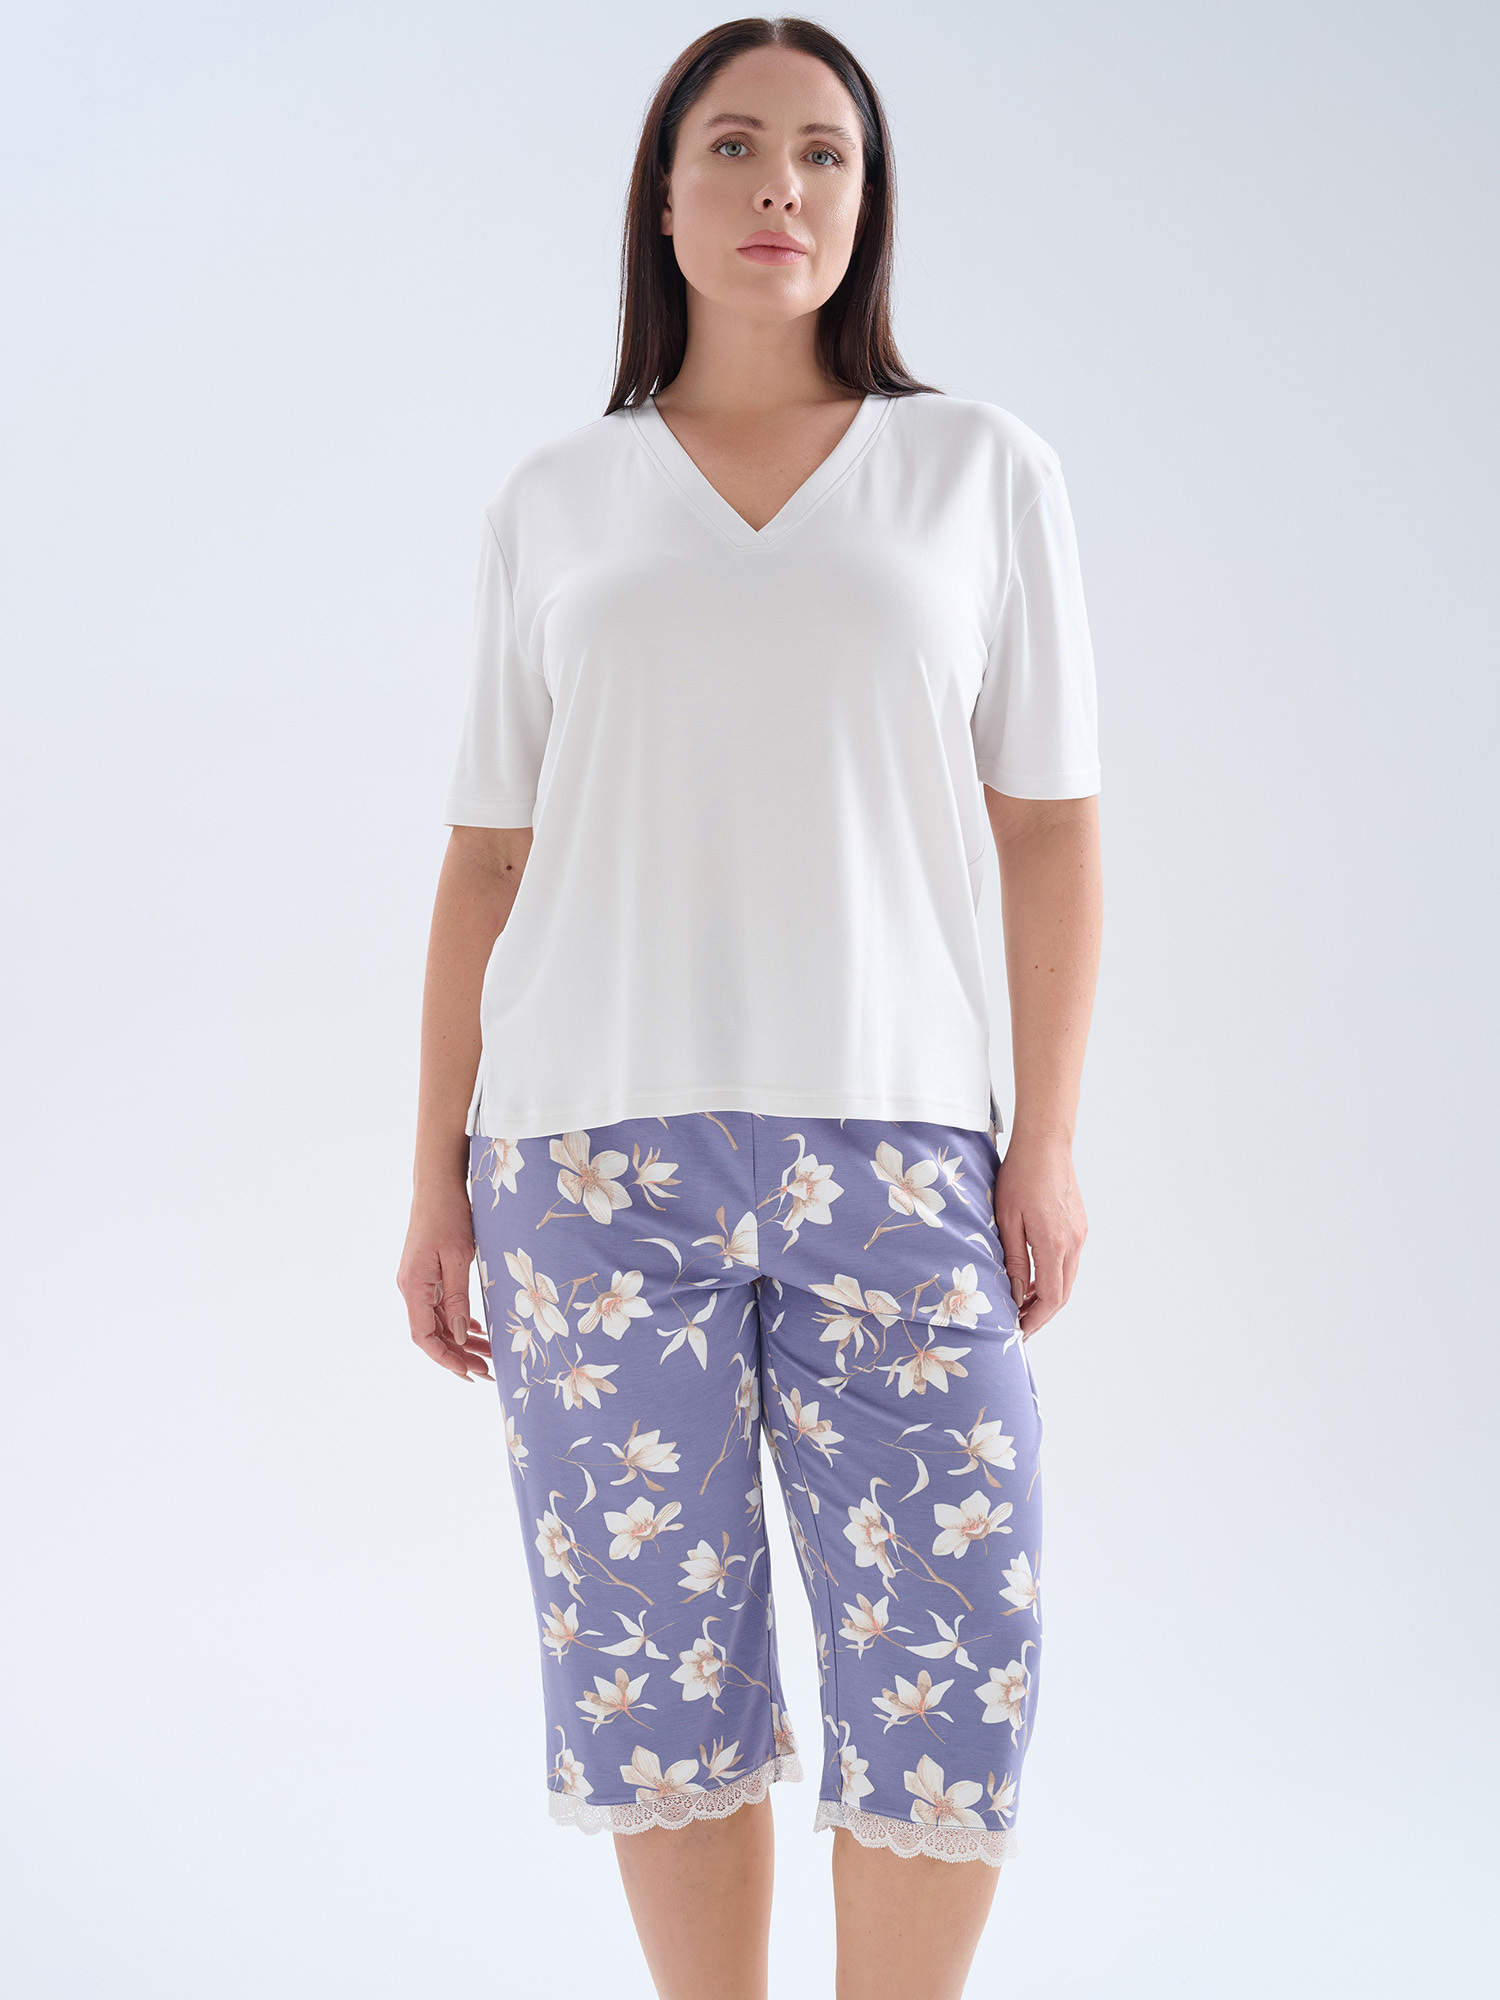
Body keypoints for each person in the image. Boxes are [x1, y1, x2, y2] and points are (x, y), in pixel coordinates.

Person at [396, 17, 1102, 2000]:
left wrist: (1045, 1139)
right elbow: (486, 860)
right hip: (585, 1166)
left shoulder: (978, 472)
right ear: (663, 193)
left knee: (954, 1640)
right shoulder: (558, 498)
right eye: (732, 144)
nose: (780, 185)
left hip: (901, 1152)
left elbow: (1051, 829)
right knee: (652, 1671)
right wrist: (434, 1180)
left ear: (867, 204)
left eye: (822, 153)